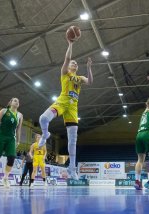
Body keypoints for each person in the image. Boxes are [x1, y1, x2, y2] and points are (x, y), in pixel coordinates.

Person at [37, 32, 93, 180]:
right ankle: (45, 134)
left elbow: (91, 81)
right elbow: (67, 58)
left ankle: (72, 168)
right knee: (43, 118)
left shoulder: (79, 78)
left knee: (73, 140)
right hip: (61, 102)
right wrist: (70, 44)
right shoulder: (64, 74)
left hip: (73, 108)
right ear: (68, 66)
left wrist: (88, 67)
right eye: (72, 63)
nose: (74, 63)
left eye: (76, 63)